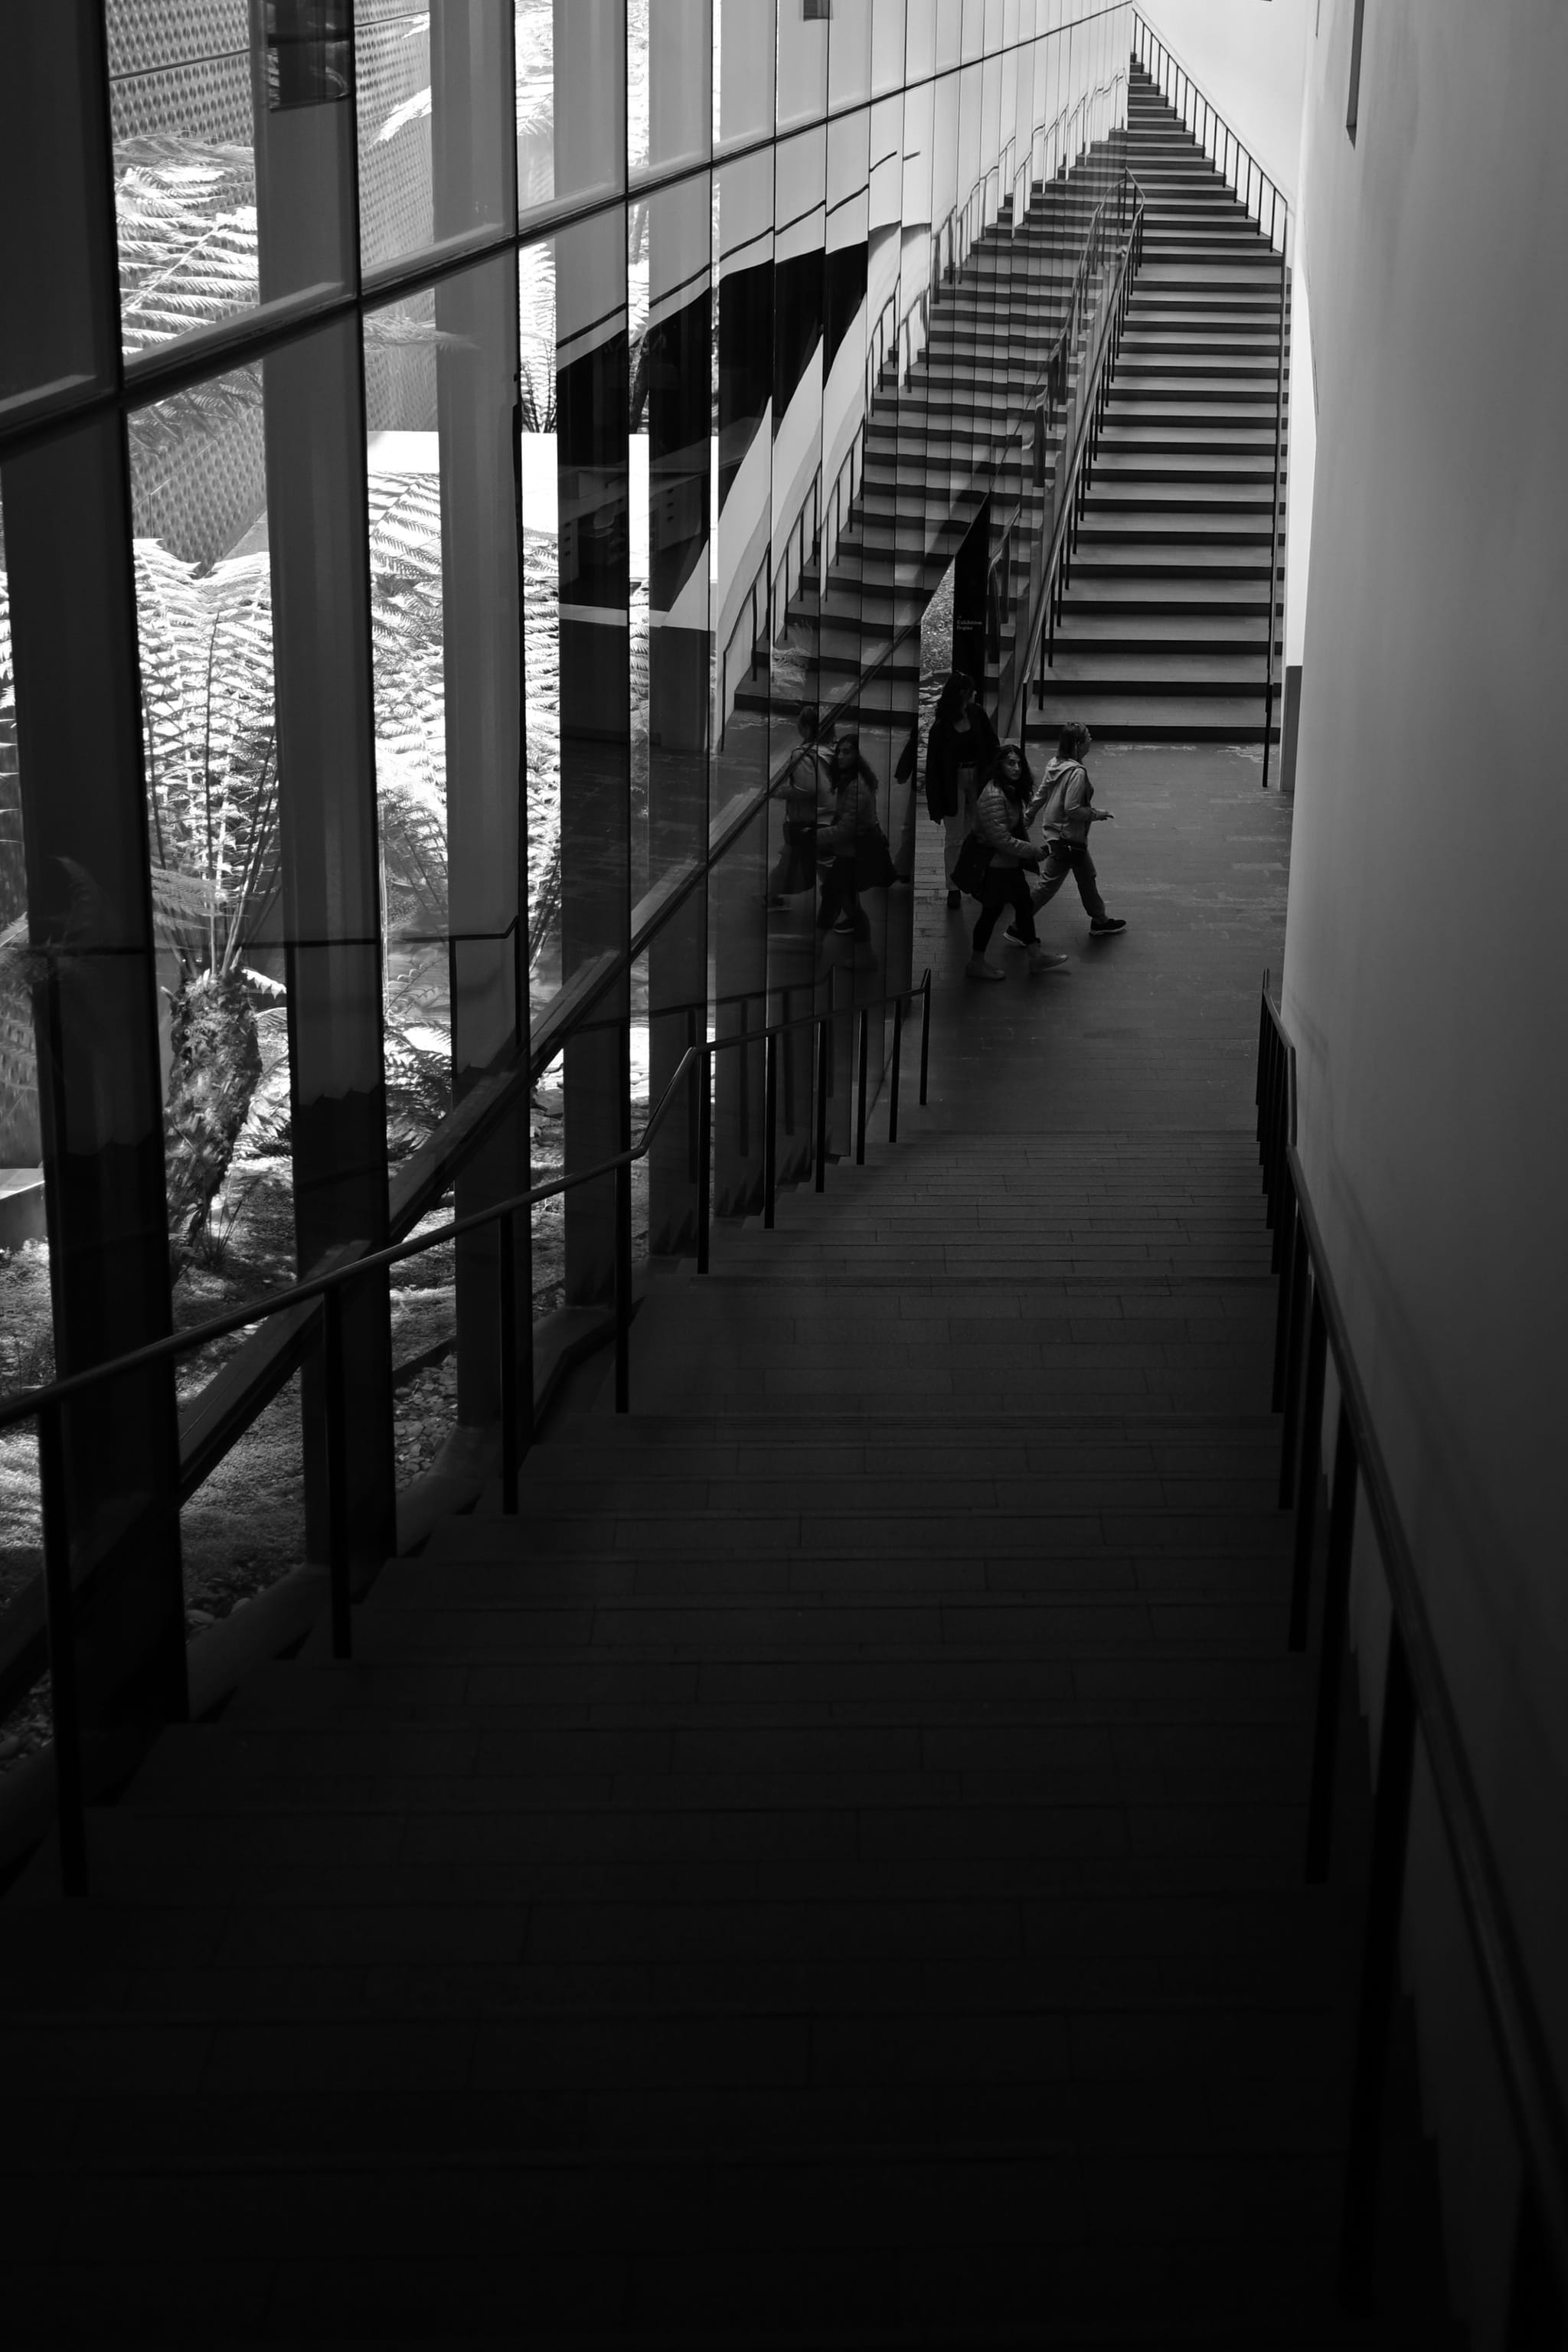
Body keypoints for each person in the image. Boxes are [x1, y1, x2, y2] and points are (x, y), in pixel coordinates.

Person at [1011, 720, 1127, 940]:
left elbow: (1041, 794)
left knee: (1087, 876)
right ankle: (1018, 926)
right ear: (1078, 744)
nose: (1092, 739)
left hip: (1061, 835)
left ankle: (1100, 920)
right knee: (1048, 885)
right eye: (1088, 736)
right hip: (1068, 838)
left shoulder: (1055, 764)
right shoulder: (1077, 773)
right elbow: (1072, 808)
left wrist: (1028, 816)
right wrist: (1096, 813)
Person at [965, 741, 1070, 982]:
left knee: (1022, 906)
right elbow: (1002, 839)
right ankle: (976, 963)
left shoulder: (1007, 791)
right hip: (996, 867)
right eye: (1010, 763)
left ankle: (1035, 956)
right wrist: (1033, 851)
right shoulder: (994, 795)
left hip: (1006, 865)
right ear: (1000, 765)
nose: (1016, 767)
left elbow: (1012, 827)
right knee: (992, 913)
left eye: (1019, 763)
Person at [924, 672, 999, 910]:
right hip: (953, 781)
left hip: (977, 778)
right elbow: (933, 767)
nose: (975, 693)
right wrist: (935, 804)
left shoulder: (977, 714)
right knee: (954, 837)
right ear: (962, 694)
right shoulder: (942, 726)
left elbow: (992, 744)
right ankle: (953, 887)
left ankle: (977, 879)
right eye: (971, 690)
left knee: (979, 831)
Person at [816, 730, 897, 947]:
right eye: (839, 752)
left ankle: (822, 944)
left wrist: (816, 836)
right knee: (840, 892)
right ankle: (860, 941)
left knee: (833, 892)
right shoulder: (849, 781)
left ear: (856, 756)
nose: (841, 756)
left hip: (855, 851)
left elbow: (846, 828)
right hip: (852, 849)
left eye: (847, 752)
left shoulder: (856, 787)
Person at [767, 702, 829, 906]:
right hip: (826, 816)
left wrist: (780, 792)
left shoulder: (803, 754)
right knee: (796, 859)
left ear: (807, 728)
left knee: (794, 858)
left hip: (806, 820)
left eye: (800, 722)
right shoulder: (830, 750)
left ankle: (771, 897)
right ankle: (771, 896)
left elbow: (806, 788)